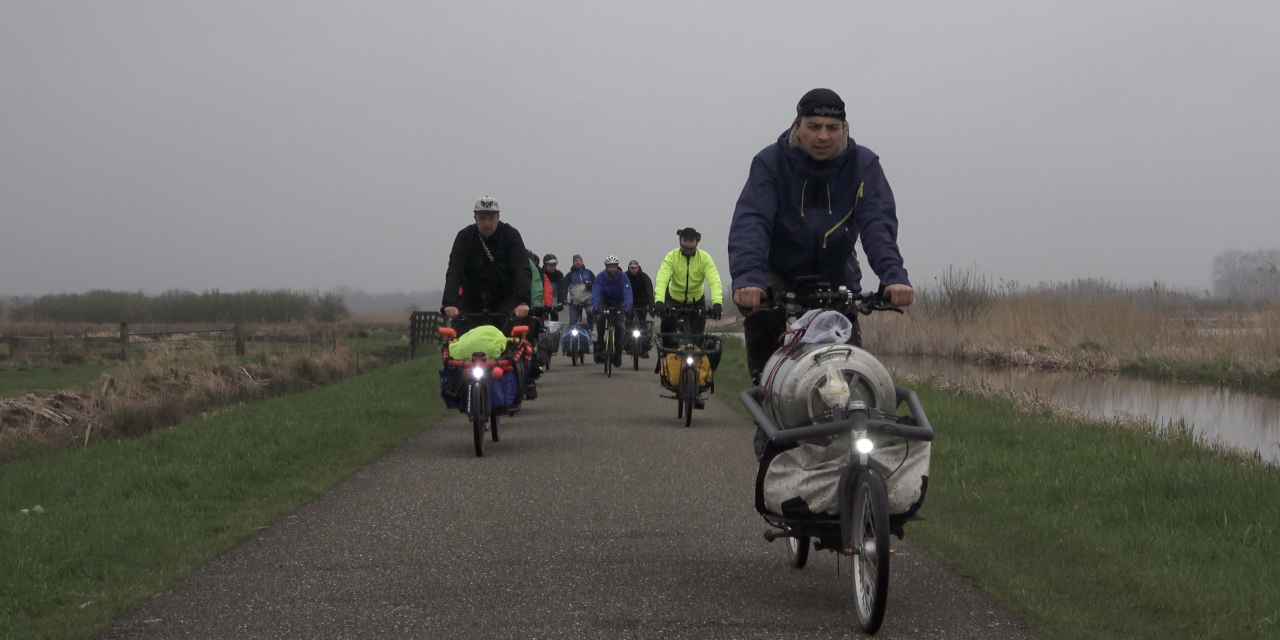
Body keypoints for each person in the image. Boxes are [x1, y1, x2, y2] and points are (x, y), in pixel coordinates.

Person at [728, 88, 914, 384]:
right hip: (779, 274)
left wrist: (893, 275)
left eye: (832, 128)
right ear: (797, 127)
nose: (823, 136)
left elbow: (877, 224)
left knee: (853, 377)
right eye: (814, 126)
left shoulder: (863, 165)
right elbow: (752, 221)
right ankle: (765, 399)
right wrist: (748, 278)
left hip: (837, 275)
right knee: (765, 339)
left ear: (844, 129)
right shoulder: (770, 163)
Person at [441, 196, 531, 335]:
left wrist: (523, 302)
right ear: (475, 218)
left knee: (517, 338)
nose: (486, 223)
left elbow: (521, 270)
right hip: (472, 300)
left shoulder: (510, 236)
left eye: (491, 218)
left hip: (504, 299)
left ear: (498, 217)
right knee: (456, 341)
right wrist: (450, 303)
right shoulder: (464, 237)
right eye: (482, 218)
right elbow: (454, 271)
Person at [652, 227, 724, 369]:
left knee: (697, 341)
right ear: (680, 241)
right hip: (673, 299)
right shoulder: (671, 257)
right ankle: (666, 363)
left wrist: (717, 303)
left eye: (691, 241)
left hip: (696, 301)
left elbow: (714, 281)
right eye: (685, 240)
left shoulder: (705, 258)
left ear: (697, 241)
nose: (688, 244)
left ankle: (695, 375)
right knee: (666, 331)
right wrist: (659, 301)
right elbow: (662, 279)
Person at [591, 255, 633, 364]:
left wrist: (628, 307)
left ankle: (618, 352)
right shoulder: (600, 277)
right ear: (606, 267)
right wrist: (595, 306)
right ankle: (600, 342)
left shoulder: (623, 277)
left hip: (619, 303)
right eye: (610, 267)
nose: (612, 269)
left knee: (619, 326)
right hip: (605, 302)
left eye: (614, 267)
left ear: (617, 267)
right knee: (601, 319)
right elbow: (596, 292)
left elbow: (627, 293)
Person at [625, 259, 655, 358]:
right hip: (629, 304)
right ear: (629, 268)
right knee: (628, 323)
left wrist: (651, 306)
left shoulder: (644, 277)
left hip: (642, 303)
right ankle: (628, 344)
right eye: (631, 268)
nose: (633, 270)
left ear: (638, 267)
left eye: (635, 268)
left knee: (643, 324)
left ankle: (644, 348)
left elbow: (649, 292)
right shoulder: (625, 277)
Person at [565, 254, 595, 329]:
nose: (578, 262)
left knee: (591, 312)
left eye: (579, 260)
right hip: (574, 301)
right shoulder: (569, 275)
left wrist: (589, 286)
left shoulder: (589, 273)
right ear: (573, 263)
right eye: (576, 261)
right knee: (573, 323)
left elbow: (596, 286)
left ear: (582, 261)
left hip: (588, 300)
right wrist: (565, 299)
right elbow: (564, 288)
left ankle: (591, 330)